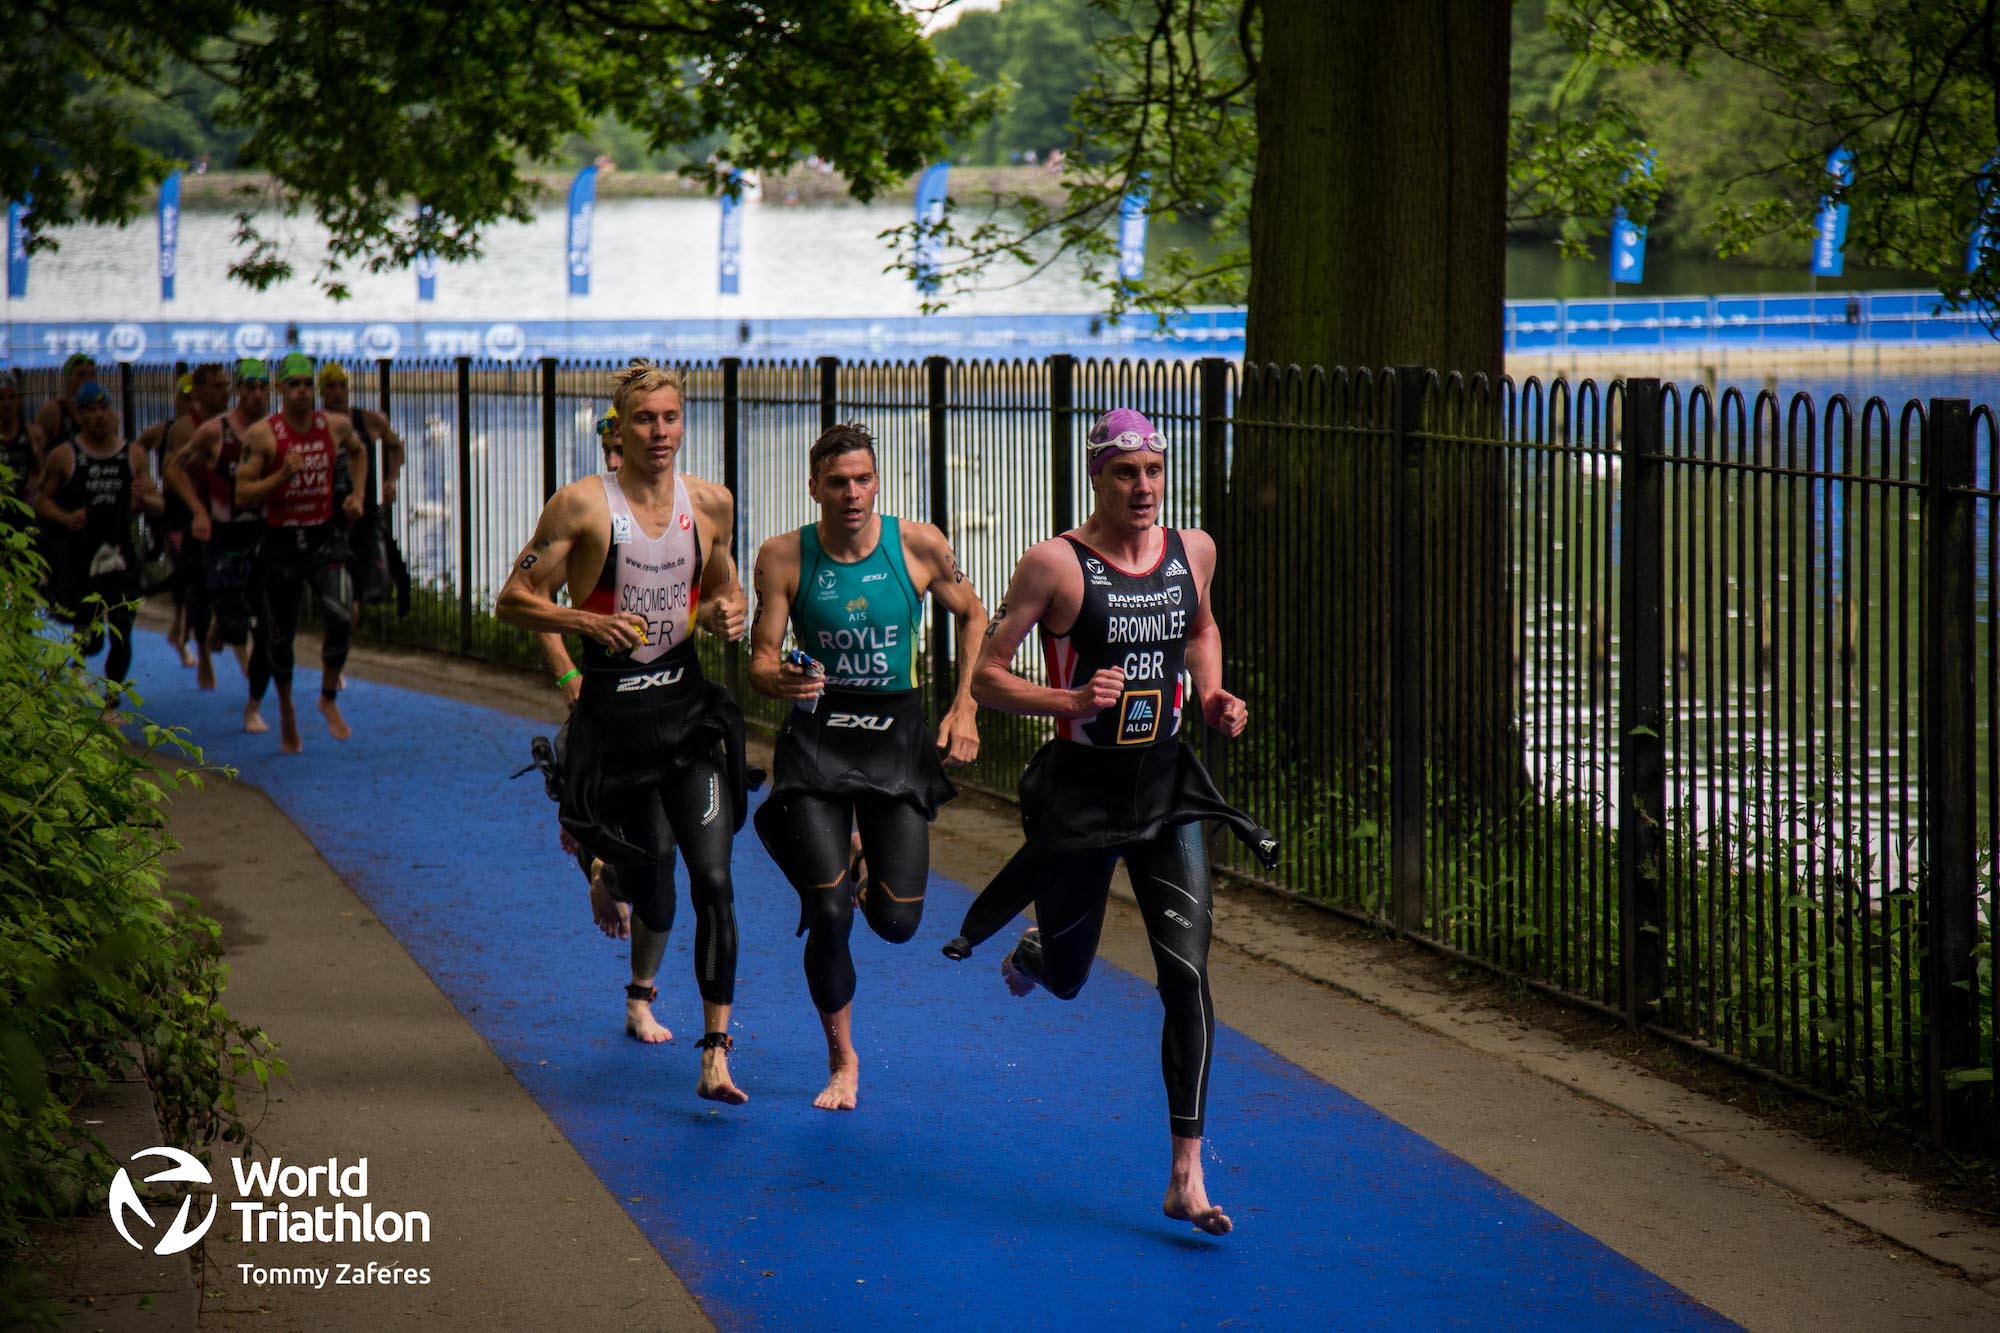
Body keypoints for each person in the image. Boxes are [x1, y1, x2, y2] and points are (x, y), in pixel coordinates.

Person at [944, 408, 1278, 1238]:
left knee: (1187, 976)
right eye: (1126, 473)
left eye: (1154, 470)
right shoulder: (1056, 566)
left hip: (1164, 791)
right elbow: (986, 676)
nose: (1143, 487)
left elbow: (1200, 627)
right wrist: (1065, 699)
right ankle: (1036, 945)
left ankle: (1186, 1174)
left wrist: (1210, 694)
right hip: (1082, 794)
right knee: (1067, 976)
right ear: (1098, 476)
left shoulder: (1190, 550)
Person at [496, 360, 753, 1105]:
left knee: (715, 881)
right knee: (653, 885)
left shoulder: (711, 502)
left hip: (688, 720)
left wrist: (727, 611)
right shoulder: (579, 506)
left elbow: (723, 587)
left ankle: (714, 1053)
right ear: (621, 425)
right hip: (616, 726)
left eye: (671, 418)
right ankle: (606, 871)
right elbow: (514, 598)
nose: (661, 432)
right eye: (646, 420)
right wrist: (585, 622)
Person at [746, 421, 987, 1111]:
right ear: (814, 486)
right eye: (837, 482)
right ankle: (843, 1058)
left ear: (876, 481)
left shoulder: (918, 545)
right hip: (819, 741)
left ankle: (859, 865)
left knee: (897, 922)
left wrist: (965, 704)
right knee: (828, 911)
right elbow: (762, 658)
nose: (852, 493)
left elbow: (972, 614)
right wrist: (778, 678)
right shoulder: (784, 556)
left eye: (863, 479)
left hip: (896, 740)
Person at [233, 351, 366, 753]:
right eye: (294, 385)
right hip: (281, 544)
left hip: (323, 537)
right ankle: (287, 711)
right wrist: (281, 476)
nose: (303, 392)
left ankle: (327, 696)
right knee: (280, 635)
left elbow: (360, 452)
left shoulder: (336, 426)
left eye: (308, 384)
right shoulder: (263, 435)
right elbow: (242, 494)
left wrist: (358, 495)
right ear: (281, 389)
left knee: (342, 614)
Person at [32, 379, 165, 717]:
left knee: (122, 626)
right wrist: (66, 517)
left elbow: (154, 503)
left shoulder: (132, 454)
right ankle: (78, 653)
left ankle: (112, 700)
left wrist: (144, 499)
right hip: (81, 555)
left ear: (114, 413)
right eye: (90, 410)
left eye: (104, 408)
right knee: (91, 639)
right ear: (80, 416)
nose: (99, 417)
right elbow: (42, 501)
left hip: (120, 553)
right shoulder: (66, 456)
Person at [167, 360, 273, 726]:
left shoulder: (275, 431)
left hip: (263, 535)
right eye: (249, 387)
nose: (256, 394)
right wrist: (197, 510)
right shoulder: (215, 431)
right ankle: (215, 630)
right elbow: (172, 468)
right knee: (231, 621)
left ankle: (253, 704)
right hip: (223, 536)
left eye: (263, 387)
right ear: (241, 391)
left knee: (267, 626)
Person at [315, 362, 405, 612]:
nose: (337, 393)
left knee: (377, 583)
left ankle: (378, 614)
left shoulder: (366, 420)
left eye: (342, 386)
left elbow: (396, 446)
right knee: (337, 583)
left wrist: (390, 480)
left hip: (364, 510)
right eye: (330, 387)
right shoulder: (316, 423)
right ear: (321, 392)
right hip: (330, 514)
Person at [163, 363, 232, 690]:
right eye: (218, 386)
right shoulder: (183, 429)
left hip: (226, 517)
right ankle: (203, 650)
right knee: (198, 588)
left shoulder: (232, 424)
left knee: (230, 586)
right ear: (200, 390)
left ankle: (220, 630)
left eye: (226, 385)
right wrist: (196, 510)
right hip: (192, 519)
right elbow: (171, 472)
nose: (226, 391)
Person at [134, 374, 198, 665]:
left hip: (195, 512)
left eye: (195, 398)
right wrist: (146, 482)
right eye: (185, 398)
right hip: (170, 514)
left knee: (189, 581)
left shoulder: (209, 431)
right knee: (180, 577)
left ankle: (179, 630)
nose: (191, 404)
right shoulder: (163, 431)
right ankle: (180, 631)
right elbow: (136, 448)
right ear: (177, 400)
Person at [0, 370, 44, 540]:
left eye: (11, 397)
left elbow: (41, 473)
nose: (7, 404)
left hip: (22, 514)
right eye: (1, 398)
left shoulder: (33, 435)